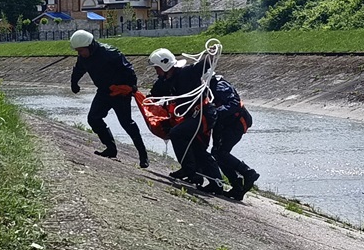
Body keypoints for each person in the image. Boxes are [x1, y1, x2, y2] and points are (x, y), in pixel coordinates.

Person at [147, 48, 225, 195]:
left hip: (203, 114)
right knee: (196, 147)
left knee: (177, 134)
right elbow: (152, 96)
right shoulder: (165, 82)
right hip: (192, 116)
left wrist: (211, 55)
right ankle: (214, 181)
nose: (156, 71)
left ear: (165, 65)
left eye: (157, 68)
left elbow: (203, 65)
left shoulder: (186, 73)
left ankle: (191, 170)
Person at [69, 30, 149, 168]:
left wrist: (130, 87)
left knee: (126, 123)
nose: (79, 53)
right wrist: (74, 83)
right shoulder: (83, 57)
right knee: (93, 119)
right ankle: (111, 149)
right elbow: (78, 70)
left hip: (119, 92)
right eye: (77, 51)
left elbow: (129, 70)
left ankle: (143, 155)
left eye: (81, 50)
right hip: (103, 92)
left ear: (90, 46)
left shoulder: (110, 53)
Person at [209, 74, 259, 200]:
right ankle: (237, 187)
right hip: (225, 123)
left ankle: (248, 173)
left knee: (221, 152)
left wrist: (214, 112)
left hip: (236, 123)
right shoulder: (208, 87)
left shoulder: (220, 86)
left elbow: (234, 104)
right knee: (217, 152)